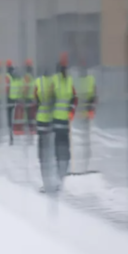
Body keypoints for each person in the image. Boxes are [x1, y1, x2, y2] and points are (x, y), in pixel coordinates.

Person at [50, 52, 77, 192]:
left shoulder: (70, 81)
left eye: (66, 68)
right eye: (63, 68)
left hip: (65, 121)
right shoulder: (54, 80)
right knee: (58, 148)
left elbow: (74, 98)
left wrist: (71, 111)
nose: (65, 71)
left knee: (65, 149)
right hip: (56, 120)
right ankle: (57, 173)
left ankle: (64, 173)